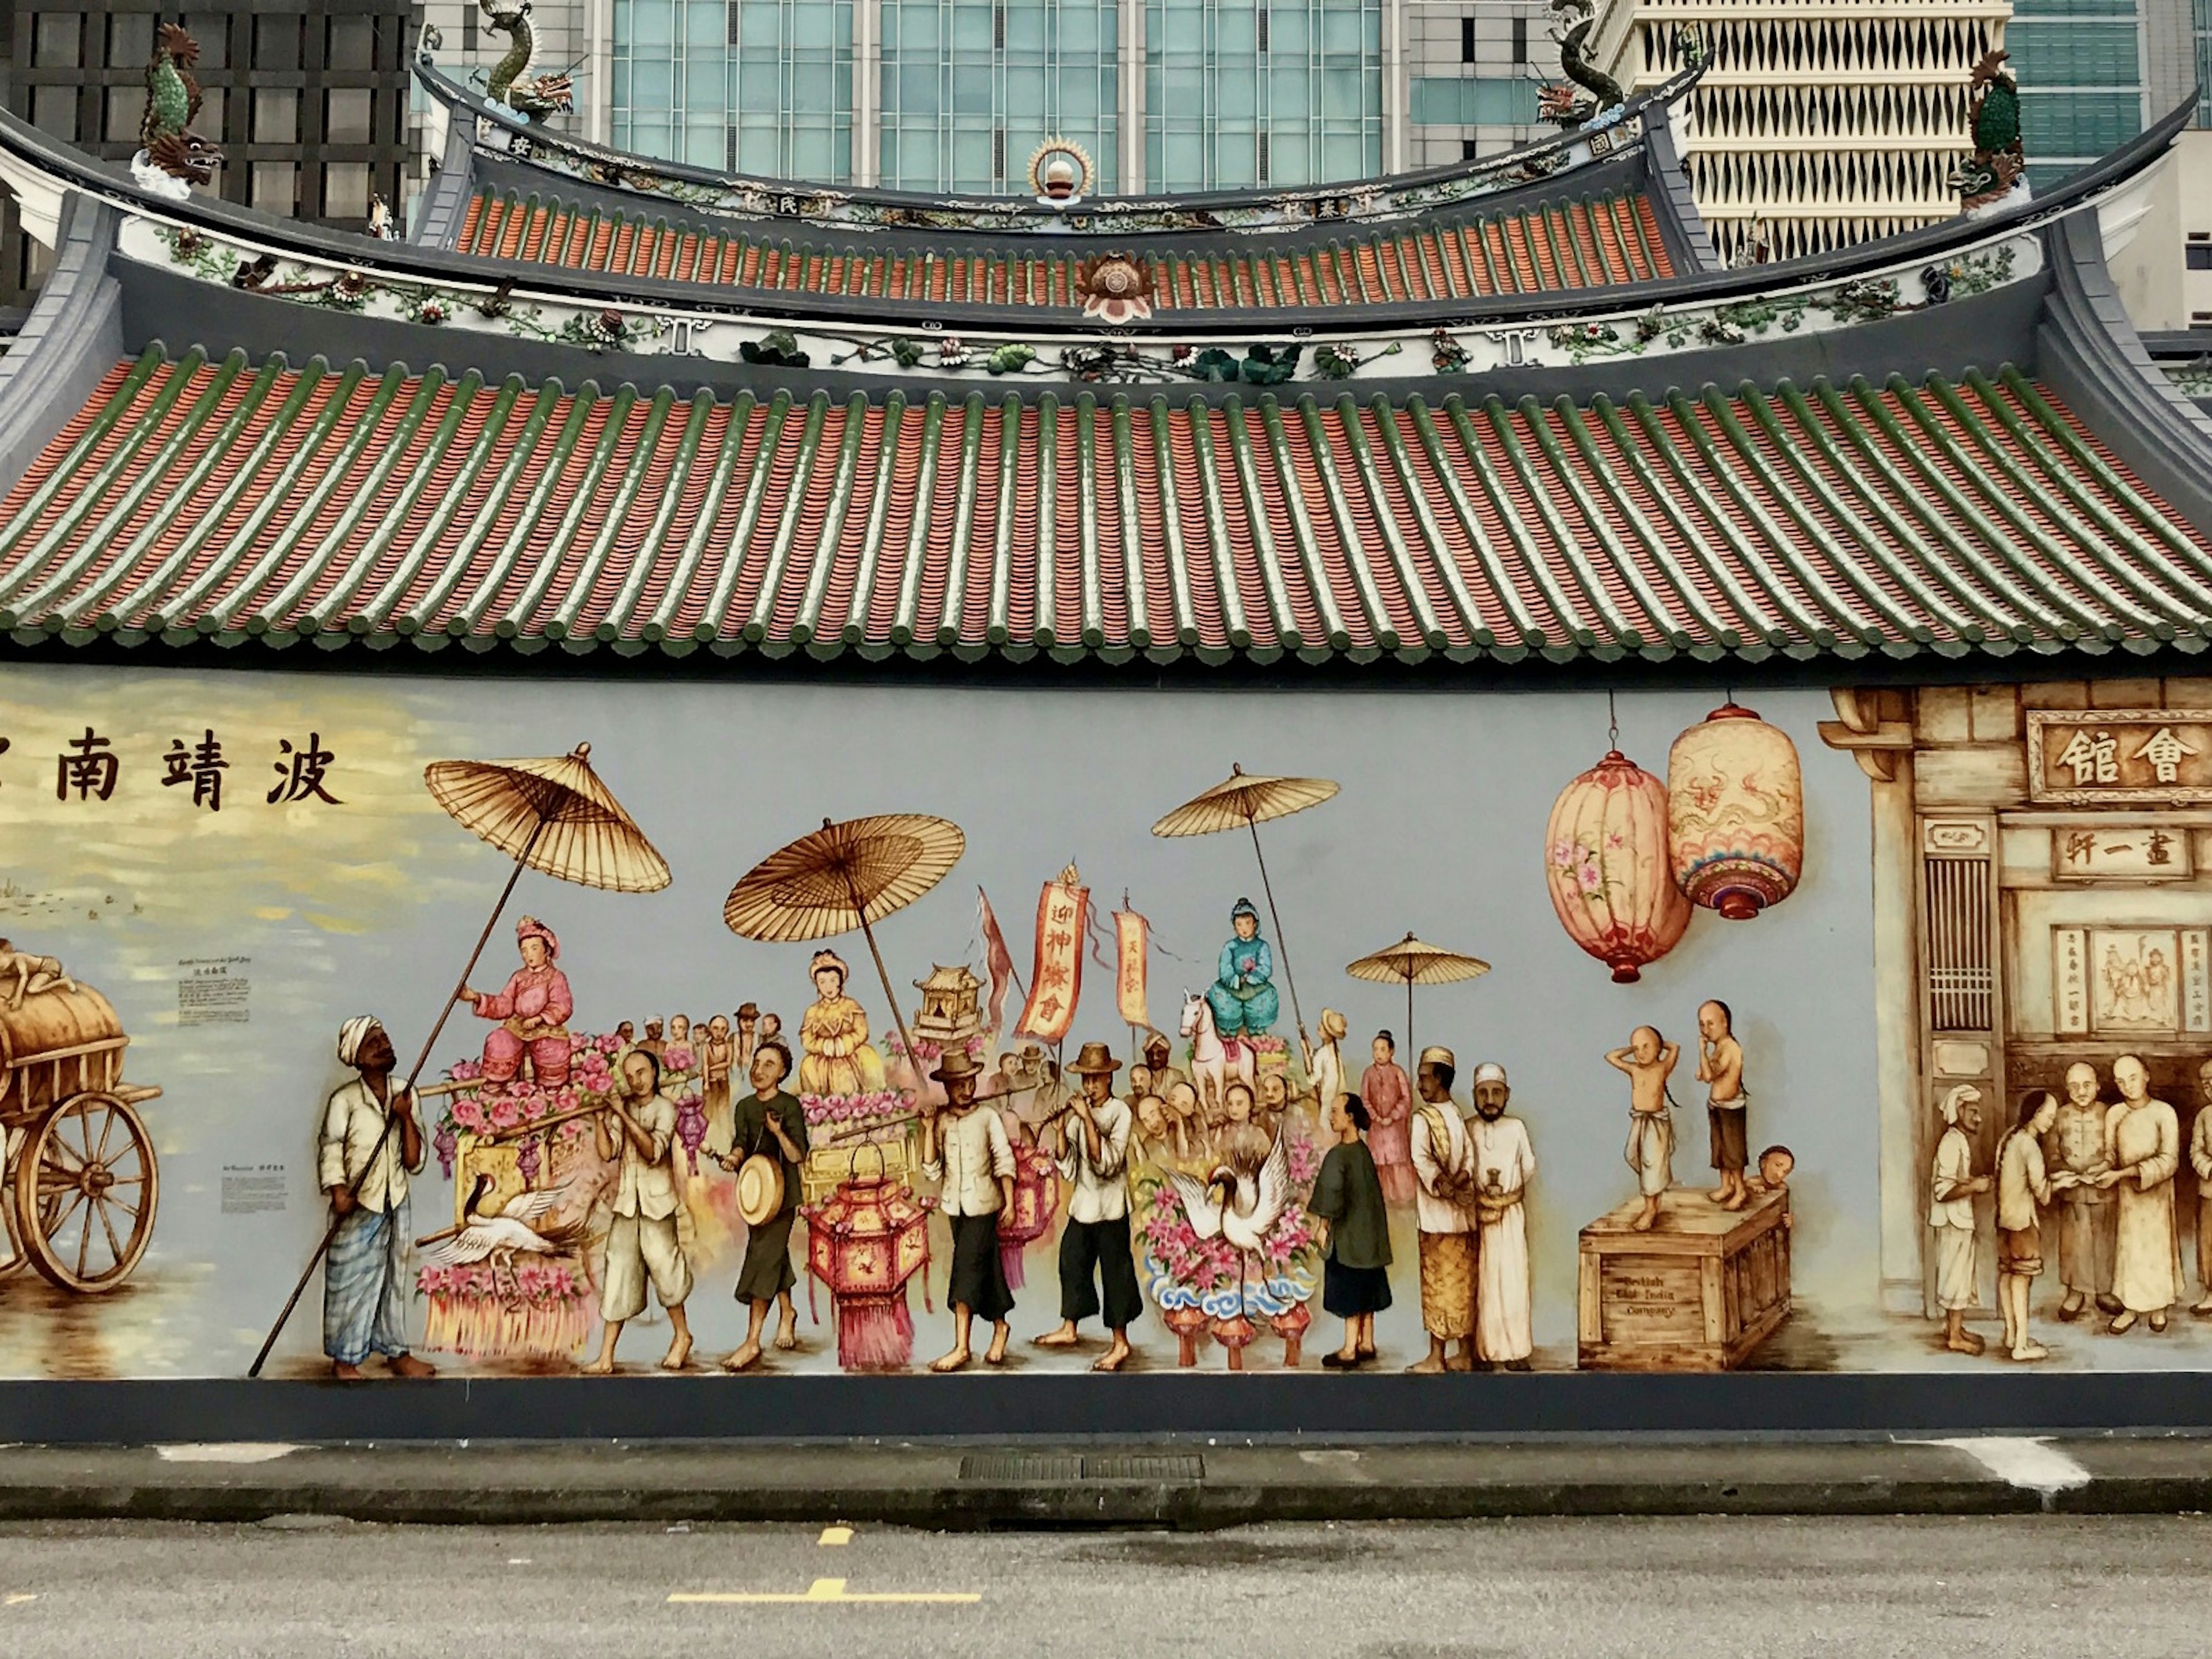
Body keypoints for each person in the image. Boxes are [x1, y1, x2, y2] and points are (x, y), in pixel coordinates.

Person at [317, 1016, 435, 1380]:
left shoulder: (405, 1093)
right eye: (374, 1043)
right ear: (358, 1058)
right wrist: (338, 1190)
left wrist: (405, 1118)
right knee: (350, 1281)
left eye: (385, 1038)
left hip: (394, 1200)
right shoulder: (345, 1100)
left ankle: (396, 1353)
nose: (385, 1046)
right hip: (356, 1204)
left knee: (394, 1281)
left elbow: (414, 1161)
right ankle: (345, 1359)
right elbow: (331, 1147)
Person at [584, 1048, 694, 1373]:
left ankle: (683, 1336)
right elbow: (608, 1153)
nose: (637, 1081)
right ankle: (605, 1357)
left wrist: (623, 1114)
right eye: (630, 1076)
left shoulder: (665, 1109)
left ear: (655, 1073)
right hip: (627, 1205)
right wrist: (601, 1120)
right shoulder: (623, 1111)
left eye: (642, 1073)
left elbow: (653, 1152)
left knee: (665, 1271)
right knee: (618, 1273)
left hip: (658, 1206)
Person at [1035, 1041, 1140, 1372]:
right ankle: (1070, 1327)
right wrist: (1059, 1133)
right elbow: (1068, 1166)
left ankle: (1120, 1342)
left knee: (1115, 1272)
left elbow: (1104, 1162)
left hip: (1110, 1208)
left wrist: (1086, 1121)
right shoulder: (1078, 1117)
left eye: (1096, 1078)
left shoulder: (1120, 1112)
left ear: (1109, 1078)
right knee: (1071, 1261)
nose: (1090, 1086)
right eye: (1086, 1080)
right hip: (1083, 1204)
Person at [920, 1047, 1016, 1371]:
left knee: (965, 1272)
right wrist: (929, 1129)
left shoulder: (988, 1118)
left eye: (969, 1083)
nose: (965, 1090)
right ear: (947, 1087)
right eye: (957, 1085)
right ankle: (1001, 1326)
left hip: (984, 1205)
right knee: (986, 1270)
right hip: (955, 1207)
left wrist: (1011, 1201)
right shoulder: (944, 1121)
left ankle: (961, 1347)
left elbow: (1004, 1159)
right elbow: (932, 1170)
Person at [719, 1039, 808, 1372]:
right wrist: (733, 1158)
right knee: (771, 1253)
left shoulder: (790, 1106)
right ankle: (788, 1311)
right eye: (757, 1062)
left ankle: (752, 1340)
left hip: (782, 1196)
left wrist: (778, 1132)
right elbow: (741, 1144)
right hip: (755, 1194)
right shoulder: (744, 1107)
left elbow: (798, 1155)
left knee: (763, 1257)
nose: (760, 1069)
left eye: (769, 1064)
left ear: (782, 1072)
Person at [1406, 1044, 1477, 1373]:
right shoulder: (1425, 1117)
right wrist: (1448, 1189)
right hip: (1439, 1215)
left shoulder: (1450, 1114)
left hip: (1453, 1220)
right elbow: (1423, 1163)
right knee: (1441, 1286)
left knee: (1456, 1287)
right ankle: (1440, 1354)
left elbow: (1469, 1159)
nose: (1420, 1085)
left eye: (1424, 1078)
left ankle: (1452, 1355)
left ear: (1440, 1079)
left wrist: (1459, 1183)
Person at [2100, 1054, 2181, 1335]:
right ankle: (2131, 1307)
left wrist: (2124, 1174)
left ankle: (2159, 1307)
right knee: (2130, 1249)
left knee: (2156, 1249)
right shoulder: (2115, 1114)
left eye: (2133, 1078)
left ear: (2146, 1075)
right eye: (2121, 1081)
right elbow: (2110, 1154)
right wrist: (2104, 1167)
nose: (2128, 1086)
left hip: (2156, 1195)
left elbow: (2170, 1161)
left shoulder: (2164, 1113)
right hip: (2128, 1198)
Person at [1310, 1094, 1392, 1368]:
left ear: (1350, 1118)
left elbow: (1331, 1193)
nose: (1331, 1117)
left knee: (1351, 1288)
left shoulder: (1340, 1155)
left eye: (1335, 1112)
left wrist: (1323, 1226)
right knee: (1367, 1285)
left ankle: (1349, 1349)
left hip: (1350, 1237)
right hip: (1369, 1237)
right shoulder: (1363, 1152)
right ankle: (1367, 1341)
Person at [1469, 1062, 1537, 1372]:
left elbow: (1527, 1173)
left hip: (1509, 1218)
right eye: (1483, 1093)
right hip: (1477, 1219)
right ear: (1474, 1096)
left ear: (1506, 1095)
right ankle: (1483, 1352)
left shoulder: (1517, 1128)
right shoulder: (1467, 1128)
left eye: (1496, 1092)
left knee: (1512, 1280)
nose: (1490, 1099)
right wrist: (1483, 1204)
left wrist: (1504, 1201)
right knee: (1482, 1284)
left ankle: (1516, 1351)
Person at [2044, 1061, 2121, 1322]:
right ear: (2067, 1089)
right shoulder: (2059, 1115)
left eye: (2087, 1085)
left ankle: (2104, 1291)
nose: (2082, 1091)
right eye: (2075, 1086)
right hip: (2072, 1190)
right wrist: (2064, 1171)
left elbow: (2117, 1151)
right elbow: (2051, 1155)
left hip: (2103, 1189)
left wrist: (2106, 1166)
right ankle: (2075, 1292)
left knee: (2104, 1241)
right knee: (2073, 1243)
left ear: (2098, 1087)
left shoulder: (2110, 1113)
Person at [459, 916, 574, 1088]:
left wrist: (540, 1018)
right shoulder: (519, 977)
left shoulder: (556, 977)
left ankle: (550, 1092)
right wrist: (476, 997)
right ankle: (497, 1089)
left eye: (534, 948)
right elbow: (505, 1004)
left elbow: (562, 1005)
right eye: (524, 950)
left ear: (547, 950)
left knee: (552, 1050)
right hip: (518, 1026)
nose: (529, 955)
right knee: (498, 1040)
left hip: (547, 1028)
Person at [1996, 1089, 2062, 1362]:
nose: (2050, 1121)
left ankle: (2011, 1334)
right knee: (2022, 1279)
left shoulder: (2009, 1137)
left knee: (2007, 1275)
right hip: (2022, 1222)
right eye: (2048, 1116)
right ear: (2035, 1114)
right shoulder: (2030, 1145)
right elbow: (2043, 1194)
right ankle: (2021, 1345)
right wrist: (2063, 1182)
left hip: (2003, 1221)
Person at [1930, 1084, 1990, 1356]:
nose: (1978, 1118)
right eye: (1973, 1112)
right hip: (1953, 1222)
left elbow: (1952, 1180)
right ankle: (1955, 1336)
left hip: (1959, 1220)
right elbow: (1942, 1191)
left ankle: (1953, 1327)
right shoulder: (1951, 1142)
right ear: (1959, 1110)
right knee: (1956, 1279)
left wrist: (1968, 1182)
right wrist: (1975, 1187)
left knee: (1960, 1277)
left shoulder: (1958, 1140)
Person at [1607, 1025, 1680, 1232]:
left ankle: (1649, 1209)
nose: (1641, 1052)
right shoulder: (1635, 1069)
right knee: (1634, 1156)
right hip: (1640, 1121)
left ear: (1658, 1048)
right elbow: (1611, 1057)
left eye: (1646, 1047)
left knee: (1652, 1162)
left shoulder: (1662, 1068)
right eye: (1637, 1048)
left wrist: (1659, 1042)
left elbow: (1674, 1048)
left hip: (1655, 1123)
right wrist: (1631, 1049)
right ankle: (1653, 1201)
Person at [798, 949, 887, 1097]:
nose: (829, 987)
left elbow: (862, 1031)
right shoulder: (813, 1012)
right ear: (817, 985)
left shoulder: (851, 1006)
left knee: (868, 1060)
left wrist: (845, 1044)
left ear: (841, 980)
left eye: (833, 980)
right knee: (808, 1067)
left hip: (852, 1052)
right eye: (822, 982)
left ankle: (873, 1101)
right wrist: (825, 1046)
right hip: (823, 1058)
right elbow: (807, 1040)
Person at [1698, 1000, 1749, 1212]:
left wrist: (1701, 1052)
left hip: (1731, 1108)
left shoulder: (1730, 1047)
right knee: (1720, 1149)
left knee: (1733, 1152)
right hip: (1717, 1105)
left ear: (1725, 1023)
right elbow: (1708, 1071)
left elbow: (1710, 1075)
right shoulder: (1719, 1046)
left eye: (1711, 1024)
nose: (1706, 1030)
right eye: (1701, 1025)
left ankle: (1740, 1190)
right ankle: (1726, 1186)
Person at [1205, 898, 1280, 1043]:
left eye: (1247, 923)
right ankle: (1229, 1034)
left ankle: (1257, 1034)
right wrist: (1236, 980)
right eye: (1239, 925)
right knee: (1224, 1002)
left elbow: (1265, 968)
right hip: (1233, 987)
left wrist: (1252, 978)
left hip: (1256, 987)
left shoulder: (1262, 946)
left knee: (1263, 1002)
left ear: (1255, 924)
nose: (1244, 928)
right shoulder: (1230, 947)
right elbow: (1225, 969)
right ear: (1234, 927)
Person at [1361, 1029, 1416, 1207]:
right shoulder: (1368, 1073)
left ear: (1391, 1051)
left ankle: (1400, 1200)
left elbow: (1407, 1099)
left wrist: (1392, 1117)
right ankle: (1378, 1198)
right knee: (1378, 1162)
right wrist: (1375, 1117)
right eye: (1375, 1049)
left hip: (1395, 1128)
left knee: (1396, 1161)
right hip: (1376, 1127)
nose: (1378, 1053)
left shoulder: (1398, 1072)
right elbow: (1365, 1099)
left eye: (1383, 1049)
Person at [1302, 1007, 1350, 1127]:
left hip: (1328, 1105)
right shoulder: (1333, 1051)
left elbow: (1312, 1079)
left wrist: (1304, 1052)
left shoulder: (1323, 1053)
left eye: (1323, 1025)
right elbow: (1317, 1057)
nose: (1319, 1026)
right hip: (1336, 1100)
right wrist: (1308, 1043)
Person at [699, 1013, 738, 1157]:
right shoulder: (706, 1047)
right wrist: (707, 1082)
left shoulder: (728, 1046)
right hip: (710, 1084)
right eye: (716, 1028)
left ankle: (724, 1143)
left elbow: (728, 1063)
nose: (719, 1032)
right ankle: (705, 1142)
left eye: (723, 1029)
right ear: (710, 1029)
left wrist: (713, 1068)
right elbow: (704, 1064)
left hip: (723, 1082)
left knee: (723, 1110)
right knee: (708, 1111)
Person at [2190, 1059, 2212, 1317]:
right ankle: (2210, 1292)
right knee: (2208, 1244)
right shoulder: (2204, 1117)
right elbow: (2196, 1150)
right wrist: (2209, 1167)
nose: (2210, 1088)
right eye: (2206, 1083)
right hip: (2209, 1191)